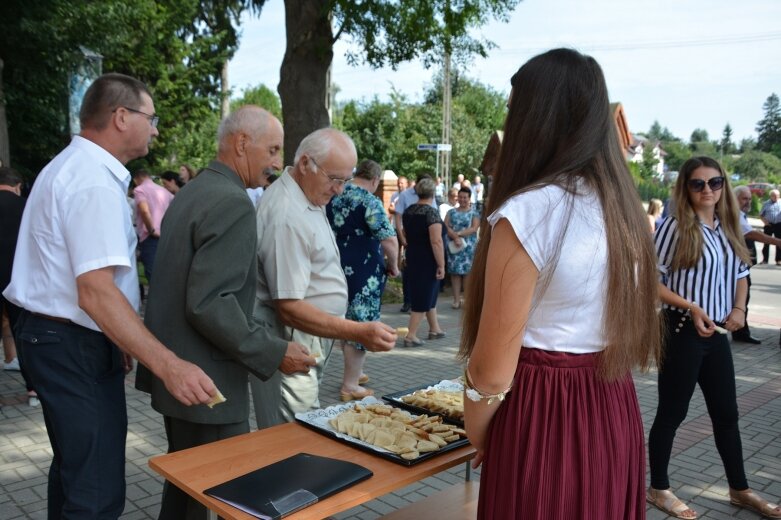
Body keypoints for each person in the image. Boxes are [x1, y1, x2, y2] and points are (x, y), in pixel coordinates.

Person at [3, 73, 216, 519]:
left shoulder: (70, 167)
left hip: (60, 340)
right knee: (95, 493)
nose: (155, 128)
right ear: (121, 117)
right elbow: (95, 293)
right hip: (69, 345)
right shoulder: (93, 181)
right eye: (150, 117)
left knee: (75, 474)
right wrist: (169, 365)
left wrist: (117, 340)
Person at [459, 49, 661, 519]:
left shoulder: (528, 212)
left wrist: (483, 433)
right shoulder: (626, 213)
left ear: (537, 118)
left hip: (541, 414)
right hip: (611, 406)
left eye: (514, 111)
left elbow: (490, 374)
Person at [136, 105, 314, 519]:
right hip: (207, 383)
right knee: (224, 494)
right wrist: (273, 352)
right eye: (272, 149)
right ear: (241, 143)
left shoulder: (196, 189)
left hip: (184, 377)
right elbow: (211, 303)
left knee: (186, 489)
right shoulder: (232, 201)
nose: (276, 162)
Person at [648, 157, 781, 519]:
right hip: (680, 331)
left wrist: (739, 311)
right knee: (673, 413)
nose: (708, 190)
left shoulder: (728, 225)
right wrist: (690, 306)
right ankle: (659, 487)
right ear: (685, 188)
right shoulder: (674, 226)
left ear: (723, 184)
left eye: (715, 182)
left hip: (718, 334)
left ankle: (740, 489)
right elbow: (650, 280)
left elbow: (741, 272)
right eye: (698, 184)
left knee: (727, 414)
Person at [251, 128, 397, 428]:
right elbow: (289, 306)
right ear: (305, 164)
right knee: (295, 429)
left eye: (345, 180)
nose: (340, 190)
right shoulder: (286, 214)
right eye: (335, 179)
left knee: (302, 423)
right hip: (294, 338)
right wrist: (357, 331)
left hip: (308, 335)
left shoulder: (307, 195)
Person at [326, 159, 399, 401]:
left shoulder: (333, 193)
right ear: (376, 179)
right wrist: (394, 265)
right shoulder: (369, 200)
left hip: (334, 263)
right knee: (361, 324)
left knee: (345, 321)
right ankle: (350, 385)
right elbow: (388, 239)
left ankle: (356, 372)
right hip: (363, 268)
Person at [0, 167, 38, 406]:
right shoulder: (26, 207)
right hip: (16, 280)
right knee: (22, 332)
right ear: (17, 185)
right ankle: (34, 389)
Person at [400, 177, 446, 347]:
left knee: (428, 293)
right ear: (433, 193)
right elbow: (436, 242)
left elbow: (405, 232)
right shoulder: (431, 213)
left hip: (413, 255)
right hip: (428, 258)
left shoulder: (409, 211)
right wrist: (441, 264)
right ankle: (411, 335)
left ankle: (435, 329)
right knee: (423, 296)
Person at [732, 185, 781, 344]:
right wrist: (777, 242)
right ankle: (739, 331)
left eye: (749, 198)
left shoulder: (739, 214)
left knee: (743, 296)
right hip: (734, 266)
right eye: (744, 198)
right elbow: (750, 233)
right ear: (735, 198)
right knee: (741, 296)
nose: (748, 202)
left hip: (740, 265)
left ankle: (740, 330)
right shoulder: (734, 214)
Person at [131, 168, 173, 282]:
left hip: (150, 236)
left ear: (136, 179)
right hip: (165, 236)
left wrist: (151, 230)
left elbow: (144, 211)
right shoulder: (164, 191)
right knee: (165, 271)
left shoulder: (139, 190)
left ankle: (158, 299)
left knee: (153, 274)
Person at [444, 187, 480, 309]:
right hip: (454, 246)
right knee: (455, 274)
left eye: (465, 197)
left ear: (469, 199)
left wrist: (458, 234)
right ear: (457, 198)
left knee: (467, 274)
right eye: (460, 197)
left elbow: (474, 228)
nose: (463, 199)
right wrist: (454, 237)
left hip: (468, 247)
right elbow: (445, 226)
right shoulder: (451, 212)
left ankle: (466, 300)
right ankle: (456, 300)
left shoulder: (474, 213)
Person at [759, 189, 781, 264]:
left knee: (779, 242)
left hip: (779, 225)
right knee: (766, 242)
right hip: (769, 225)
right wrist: (765, 222)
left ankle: (778, 260)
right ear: (771, 196)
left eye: (778, 196)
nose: (776, 197)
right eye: (775, 196)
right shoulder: (766, 204)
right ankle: (765, 260)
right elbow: (761, 215)